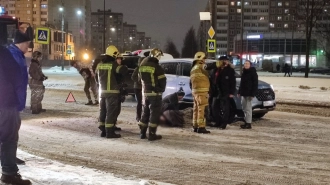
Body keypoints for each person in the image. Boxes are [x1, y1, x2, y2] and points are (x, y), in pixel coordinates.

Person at [0, 31, 32, 185]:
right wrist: (18, 104)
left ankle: (9, 163)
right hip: (7, 103)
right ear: (22, 43)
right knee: (9, 137)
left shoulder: (8, 53)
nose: (29, 46)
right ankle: (9, 173)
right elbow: (18, 82)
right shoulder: (11, 56)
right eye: (28, 43)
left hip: (5, 101)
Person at [95, 45, 128, 138]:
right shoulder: (113, 65)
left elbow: (96, 77)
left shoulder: (100, 65)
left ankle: (103, 129)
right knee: (111, 112)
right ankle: (109, 132)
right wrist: (124, 65)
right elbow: (121, 70)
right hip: (112, 92)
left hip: (103, 92)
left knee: (103, 111)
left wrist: (100, 85)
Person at [190, 51, 223, 134]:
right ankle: (201, 127)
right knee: (202, 109)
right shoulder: (200, 66)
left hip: (195, 91)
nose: (205, 60)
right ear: (200, 58)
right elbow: (208, 66)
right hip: (202, 91)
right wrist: (219, 63)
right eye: (204, 58)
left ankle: (195, 125)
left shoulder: (193, 68)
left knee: (196, 108)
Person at [138, 48, 167, 141]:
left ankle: (142, 133)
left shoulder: (142, 65)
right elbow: (162, 81)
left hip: (145, 93)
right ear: (157, 56)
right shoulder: (157, 67)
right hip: (155, 94)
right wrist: (161, 89)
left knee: (145, 113)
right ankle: (151, 134)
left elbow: (139, 78)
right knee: (154, 114)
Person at [209, 56, 236, 129]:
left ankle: (224, 123)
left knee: (225, 109)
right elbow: (211, 80)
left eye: (226, 61)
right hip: (215, 92)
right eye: (223, 61)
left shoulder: (230, 70)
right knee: (214, 107)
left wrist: (231, 93)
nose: (225, 62)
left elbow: (233, 82)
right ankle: (217, 122)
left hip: (225, 92)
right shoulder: (215, 69)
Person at [238, 60, 258, 129]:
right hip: (243, 93)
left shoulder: (252, 73)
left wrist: (253, 94)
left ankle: (248, 123)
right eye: (245, 64)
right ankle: (246, 121)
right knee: (244, 108)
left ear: (250, 65)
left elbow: (255, 84)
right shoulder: (244, 72)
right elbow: (242, 83)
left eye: (247, 64)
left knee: (248, 108)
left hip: (249, 94)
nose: (246, 65)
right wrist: (239, 92)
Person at [131, 57, 144, 122]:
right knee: (140, 102)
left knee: (143, 102)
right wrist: (138, 81)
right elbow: (133, 77)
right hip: (137, 88)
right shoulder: (137, 69)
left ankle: (142, 116)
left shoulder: (144, 69)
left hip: (143, 88)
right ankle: (138, 116)